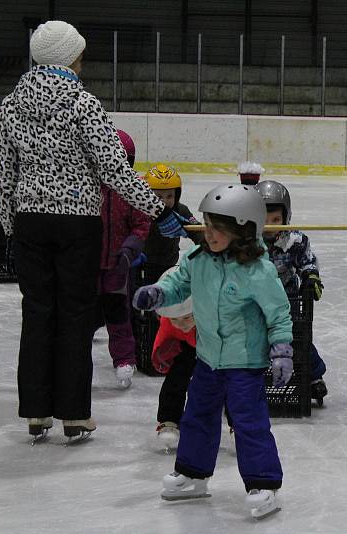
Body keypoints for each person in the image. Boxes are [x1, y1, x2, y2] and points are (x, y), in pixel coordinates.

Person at [0, 20, 188, 442]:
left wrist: (11, 228)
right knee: (76, 315)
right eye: (79, 53)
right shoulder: (83, 103)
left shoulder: (11, 104)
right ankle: (74, 414)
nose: (83, 61)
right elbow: (116, 169)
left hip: (30, 221)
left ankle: (36, 411)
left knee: (38, 313)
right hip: (77, 223)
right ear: (69, 56)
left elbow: (4, 173)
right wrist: (157, 211)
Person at [133, 184, 293, 519]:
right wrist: (158, 293)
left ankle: (263, 483)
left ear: (244, 229)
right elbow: (178, 282)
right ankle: (193, 474)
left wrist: (281, 350)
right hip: (207, 359)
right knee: (197, 417)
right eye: (208, 225)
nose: (210, 234)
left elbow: (278, 313)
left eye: (219, 228)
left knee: (249, 423)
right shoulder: (199, 259)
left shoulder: (258, 271)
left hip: (244, 364)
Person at [257, 179, 328, 405]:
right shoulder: (247, 242)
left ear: (286, 218)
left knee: (298, 338)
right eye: (264, 220)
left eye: (276, 220)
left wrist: (310, 276)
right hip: (254, 304)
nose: (269, 225)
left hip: (287, 304)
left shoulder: (295, 240)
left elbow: (307, 262)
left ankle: (313, 376)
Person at [95, 130, 151, 389]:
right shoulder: (90, 186)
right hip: (87, 265)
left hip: (118, 266)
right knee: (83, 315)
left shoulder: (132, 190)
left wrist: (129, 250)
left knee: (119, 314)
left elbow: (141, 225)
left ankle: (124, 359)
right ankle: (73, 358)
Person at [150, 266, 196, 450]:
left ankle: (236, 423)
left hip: (212, 344)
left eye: (186, 318)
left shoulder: (215, 316)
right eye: (175, 319)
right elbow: (162, 344)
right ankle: (169, 419)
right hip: (183, 346)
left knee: (222, 381)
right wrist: (162, 356)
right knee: (176, 377)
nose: (181, 324)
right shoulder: (169, 322)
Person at [139, 163, 201, 284]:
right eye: (159, 197)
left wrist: (203, 246)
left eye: (169, 196)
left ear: (177, 195)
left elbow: (197, 231)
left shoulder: (181, 210)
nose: (164, 202)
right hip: (143, 266)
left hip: (169, 266)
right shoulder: (141, 211)